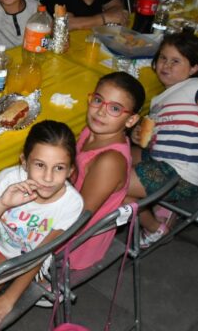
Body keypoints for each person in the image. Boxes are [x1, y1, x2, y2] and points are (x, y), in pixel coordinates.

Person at [125, 32, 198, 248]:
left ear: (194, 68)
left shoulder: (196, 87)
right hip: (165, 162)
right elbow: (158, 139)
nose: (166, 65)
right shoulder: (161, 99)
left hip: (181, 173)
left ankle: (153, 227)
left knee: (113, 182)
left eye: (176, 61)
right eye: (163, 58)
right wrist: (137, 135)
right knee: (121, 155)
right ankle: (160, 205)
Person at [0, 121, 84, 327]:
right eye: (40, 165)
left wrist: (9, 298)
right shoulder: (9, 179)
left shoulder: (71, 204)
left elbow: (39, 254)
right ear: (24, 161)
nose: (48, 178)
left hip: (18, 255)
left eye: (59, 168)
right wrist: (2, 203)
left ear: (70, 170)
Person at [67, 72, 144, 270]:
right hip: (68, 208)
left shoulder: (109, 161)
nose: (101, 112)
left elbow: (79, 219)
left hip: (74, 243)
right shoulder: (92, 131)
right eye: (98, 100)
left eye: (115, 108)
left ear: (131, 120)